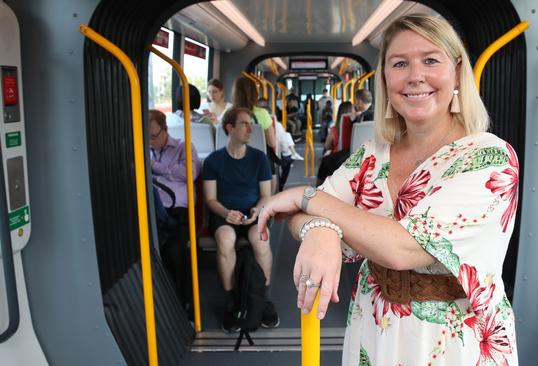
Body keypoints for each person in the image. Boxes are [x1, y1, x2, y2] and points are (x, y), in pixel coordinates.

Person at [257, 14, 519, 365]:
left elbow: (403, 248)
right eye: (399, 63)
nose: (415, 76)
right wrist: (318, 230)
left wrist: (311, 197)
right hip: (374, 326)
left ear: (457, 71)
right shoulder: (373, 156)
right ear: (385, 79)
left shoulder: (488, 158)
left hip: (451, 342)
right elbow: (296, 217)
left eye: (430, 60)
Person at [202, 107, 279, 333]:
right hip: (224, 214)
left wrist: (256, 211)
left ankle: (261, 298)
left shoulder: (259, 159)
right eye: (244, 124)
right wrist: (226, 213)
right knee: (225, 239)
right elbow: (210, 199)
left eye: (250, 124)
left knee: (260, 239)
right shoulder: (214, 161)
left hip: (253, 212)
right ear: (230, 128)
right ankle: (231, 300)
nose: (250, 129)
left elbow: (266, 195)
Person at [149, 109, 201, 315]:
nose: (150, 142)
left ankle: (182, 306)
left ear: (165, 130)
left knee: (177, 250)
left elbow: (189, 173)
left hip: (177, 212)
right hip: (152, 209)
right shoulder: (143, 149)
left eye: (154, 136)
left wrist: (156, 167)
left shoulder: (183, 147)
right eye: (147, 137)